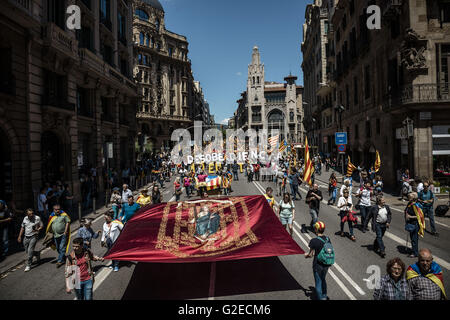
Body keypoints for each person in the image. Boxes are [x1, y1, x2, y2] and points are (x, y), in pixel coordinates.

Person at [305, 221, 332, 300]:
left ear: (316, 229)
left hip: (318, 264)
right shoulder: (328, 239)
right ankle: (324, 296)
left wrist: (306, 255)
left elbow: (310, 255)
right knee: (323, 279)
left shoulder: (314, 241)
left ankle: (321, 298)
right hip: (326, 263)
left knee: (318, 282)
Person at [404, 192, 424, 258]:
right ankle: (414, 250)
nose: (408, 198)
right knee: (412, 239)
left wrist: (410, 217)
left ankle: (415, 253)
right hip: (410, 223)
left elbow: (420, 216)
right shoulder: (409, 204)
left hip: (415, 224)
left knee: (414, 239)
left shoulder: (416, 205)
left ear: (413, 198)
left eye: (410, 197)